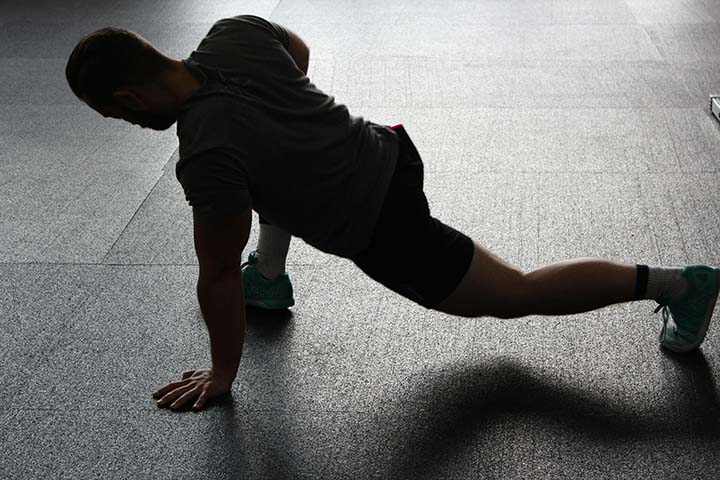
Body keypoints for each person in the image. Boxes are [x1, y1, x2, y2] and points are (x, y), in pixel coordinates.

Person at [65, 14, 720, 412]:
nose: (125, 123)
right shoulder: (233, 34)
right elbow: (297, 56)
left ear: (126, 95)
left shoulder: (206, 154)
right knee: (267, 173)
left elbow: (213, 276)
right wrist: (292, 127)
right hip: (388, 147)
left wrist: (223, 372)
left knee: (515, 295)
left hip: (382, 225)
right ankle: (270, 273)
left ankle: (677, 285)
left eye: (115, 114)